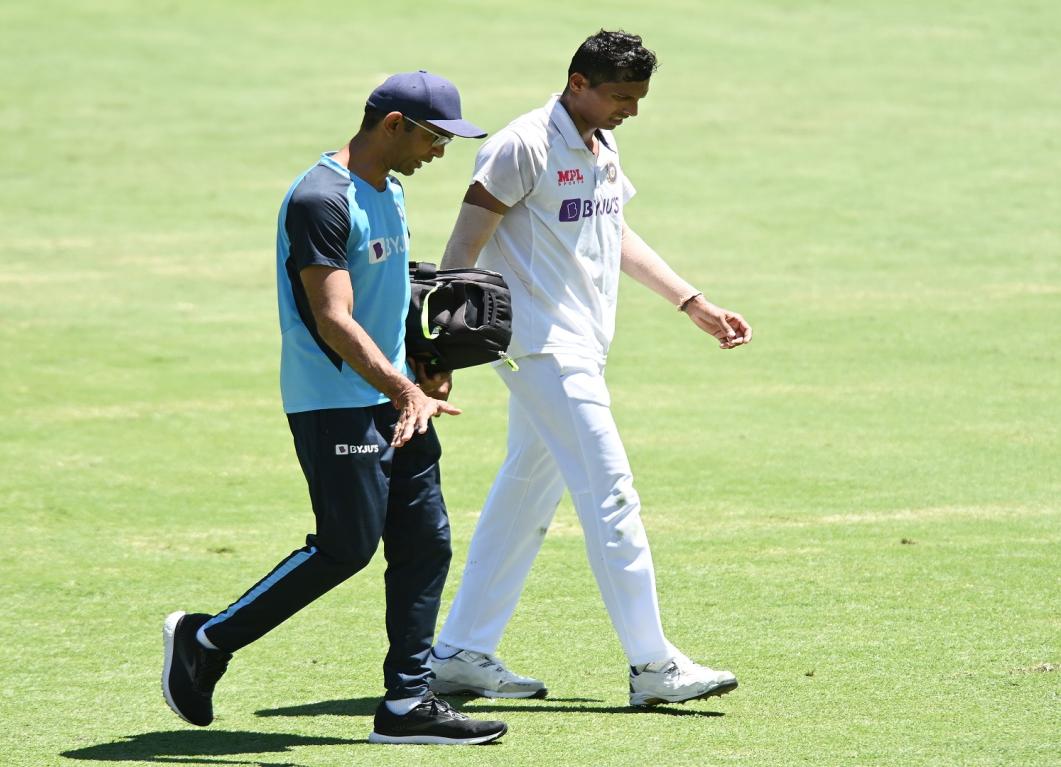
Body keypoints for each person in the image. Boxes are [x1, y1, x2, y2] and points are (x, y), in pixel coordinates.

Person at [161, 70, 509, 745]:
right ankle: (205, 639)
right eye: (435, 136)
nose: (440, 151)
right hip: (335, 402)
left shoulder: (391, 189)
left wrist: (423, 360)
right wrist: (400, 386)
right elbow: (332, 318)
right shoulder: (320, 198)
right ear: (392, 125)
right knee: (345, 546)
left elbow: (390, 289)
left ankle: (408, 703)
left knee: (425, 541)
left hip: (391, 397)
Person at [426, 31, 753, 707]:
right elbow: (462, 244)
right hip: (539, 344)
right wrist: (442, 349)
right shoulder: (522, 145)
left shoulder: (600, 141)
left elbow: (613, 229)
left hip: (582, 342)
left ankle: (458, 651)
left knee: (526, 493)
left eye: (637, 98)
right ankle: (652, 665)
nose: (629, 109)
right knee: (610, 492)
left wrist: (689, 300)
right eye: (619, 96)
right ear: (578, 81)